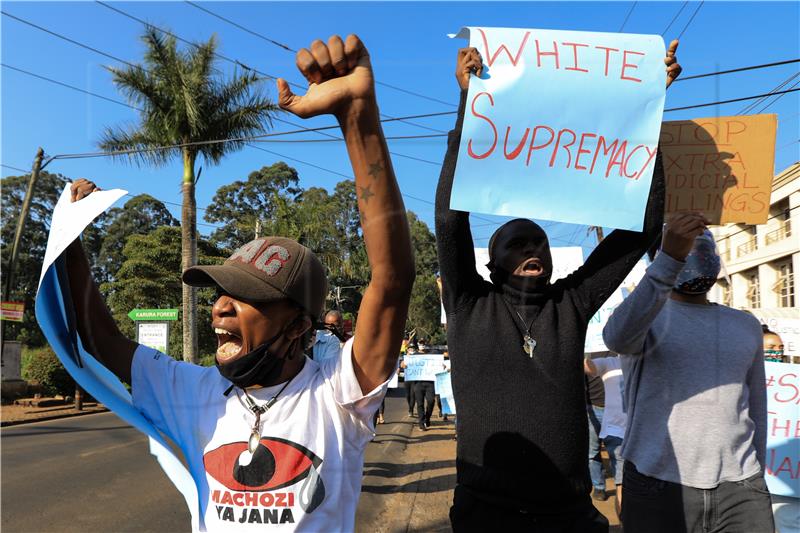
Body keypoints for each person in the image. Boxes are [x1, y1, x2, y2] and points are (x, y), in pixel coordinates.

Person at [64, 34, 414, 531]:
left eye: (248, 296)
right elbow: (100, 340)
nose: (221, 308)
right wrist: (72, 243)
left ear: (298, 326)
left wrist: (357, 117)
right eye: (221, 292)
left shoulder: (339, 395)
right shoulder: (191, 389)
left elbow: (393, 279)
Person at [436, 42, 682, 531]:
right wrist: (468, 105)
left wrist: (650, 103)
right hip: (486, 515)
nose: (534, 250)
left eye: (541, 243)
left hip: (567, 514)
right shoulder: (468, 302)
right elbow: (448, 218)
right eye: (518, 243)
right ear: (492, 262)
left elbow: (641, 229)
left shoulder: (571, 303)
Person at [603, 225, 774, 533]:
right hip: (658, 485)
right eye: (687, 249)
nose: (698, 255)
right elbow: (615, 337)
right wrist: (669, 258)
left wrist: (757, 473)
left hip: (742, 490)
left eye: (705, 247)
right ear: (661, 258)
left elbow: (756, 407)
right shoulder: (646, 321)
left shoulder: (746, 325)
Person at [762, 329, 800, 533]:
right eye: (770, 348)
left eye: (780, 348)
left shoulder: (793, 378)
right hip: (762, 473)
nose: (776, 352)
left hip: (789, 474)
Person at [584, 354, 626, 518]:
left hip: (623, 425)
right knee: (592, 452)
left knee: (623, 481)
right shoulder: (608, 361)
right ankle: (599, 488)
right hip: (594, 409)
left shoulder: (632, 359)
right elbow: (589, 367)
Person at [585, 369, 607, 501]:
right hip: (592, 406)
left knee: (619, 453)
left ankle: (622, 485)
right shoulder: (587, 349)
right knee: (592, 452)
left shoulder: (619, 350)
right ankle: (599, 487)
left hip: (618, 409)